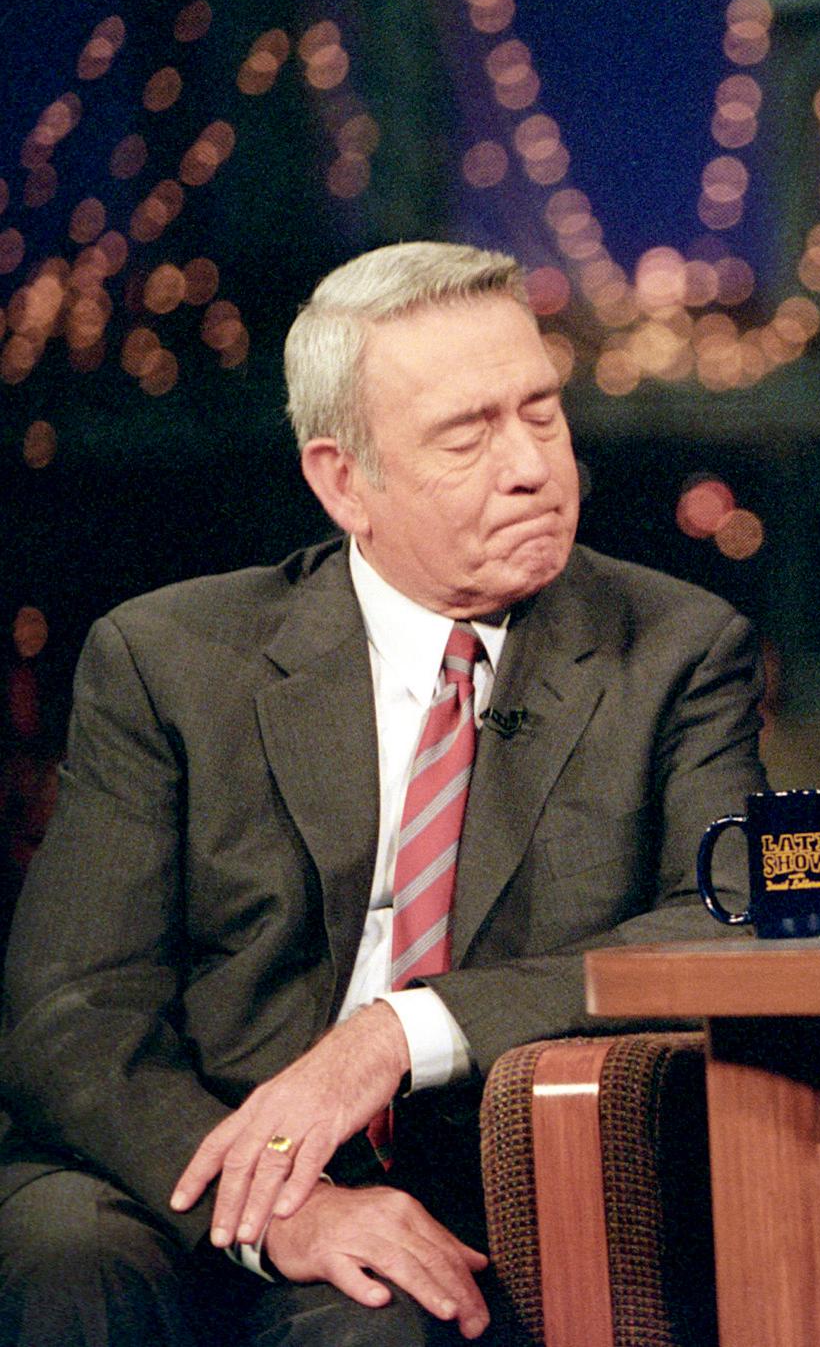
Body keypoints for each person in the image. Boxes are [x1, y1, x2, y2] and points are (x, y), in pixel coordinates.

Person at [0, 243, 768, 1343]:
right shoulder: (168, 659)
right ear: (343, 481)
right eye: (470, 434)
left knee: (383, 1319)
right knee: (66, 1263)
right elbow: (74, 1013)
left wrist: (402, 1033)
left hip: (458, 1188)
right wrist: (279, 1208)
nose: (531, 467)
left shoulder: (677, 651)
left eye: (541, 414)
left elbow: (735, 923)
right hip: (170, 1164)